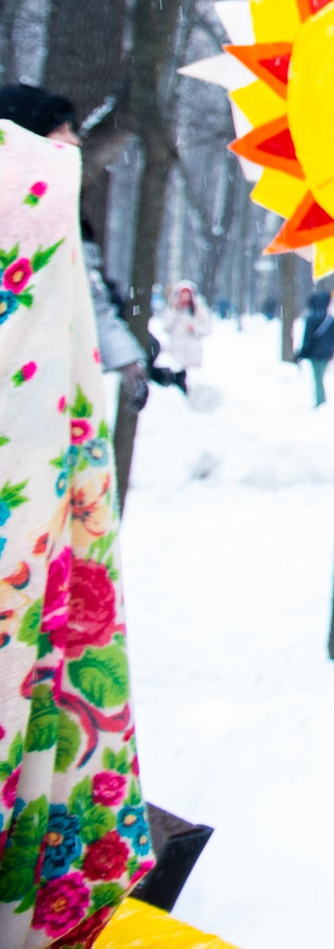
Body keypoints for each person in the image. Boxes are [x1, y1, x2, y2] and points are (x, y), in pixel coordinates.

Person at [0, 96, 159, 922]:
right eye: (57, 132)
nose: (69, 146)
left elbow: (93, 303)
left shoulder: (49, 197)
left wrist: (134, 355)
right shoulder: (32, 196)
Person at [151, 279, 213, 393]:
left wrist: (195, 328)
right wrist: (175, 311)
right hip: (175, 350)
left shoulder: (199, 310)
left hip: (192, 351)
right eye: (182, 295)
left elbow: (207, 328)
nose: (185, 298)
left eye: (187, 295)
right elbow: (166, 327)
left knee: (192, 381)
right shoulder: (172, 310)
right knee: (177, 377)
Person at [296, 288, 334, 407]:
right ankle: (322, 402)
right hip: (326, 353)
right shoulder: (330, 318)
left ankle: (321, 402)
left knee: (318, 379)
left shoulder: (311, 318)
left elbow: (308, 339)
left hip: (316, 354)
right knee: (320, 378)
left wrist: (302, 354)